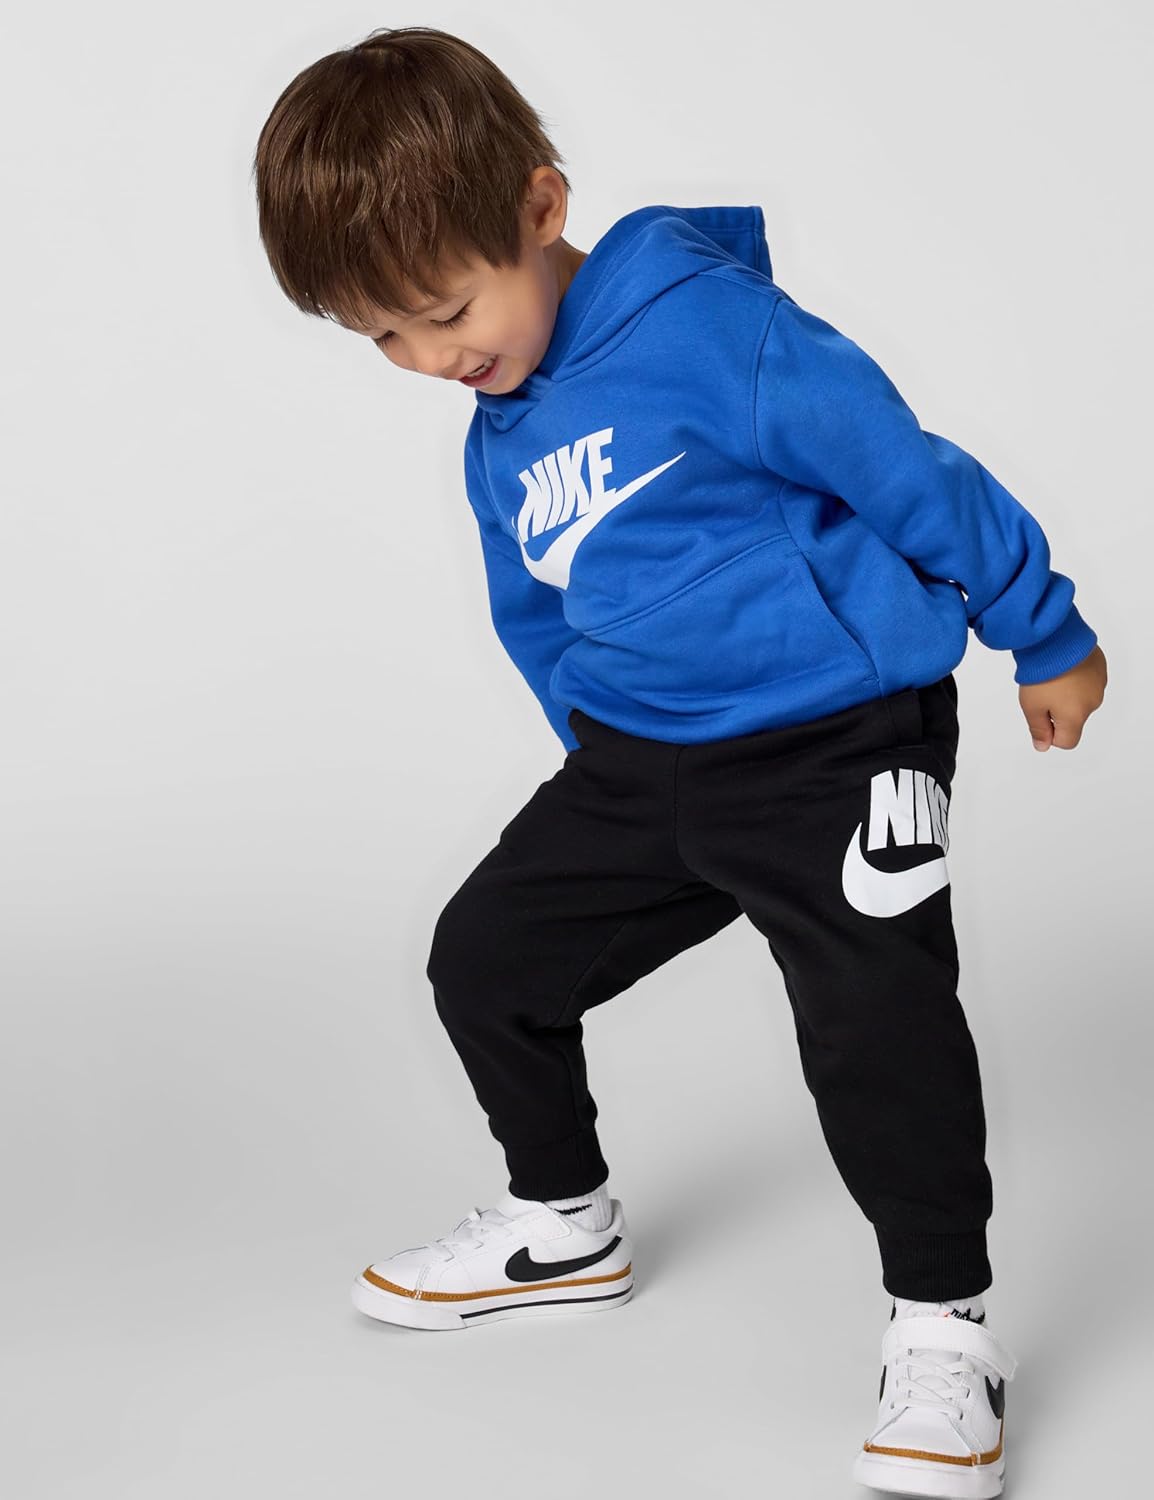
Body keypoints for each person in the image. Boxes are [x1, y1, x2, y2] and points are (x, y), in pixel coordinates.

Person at [252, 25, 1107, 1498]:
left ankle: (943, 1328)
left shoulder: (707, 329)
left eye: (443, 312)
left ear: (539, 206)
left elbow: (903, 464)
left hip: (837, 741)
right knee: (486, 961)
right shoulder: (499, 417)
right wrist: (591, 748)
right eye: (382, 339)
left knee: (875, 1022)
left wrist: (1042, 630)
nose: (431, 360)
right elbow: (537, 605)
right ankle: (563, 1225)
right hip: (647, 761)